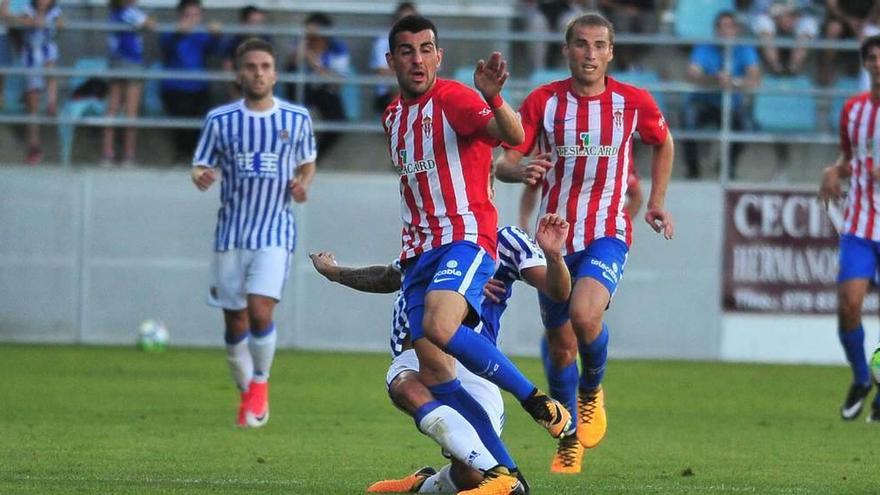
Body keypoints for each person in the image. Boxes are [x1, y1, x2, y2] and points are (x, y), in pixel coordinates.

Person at [382, 14, 571, 494]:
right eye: (407, 50)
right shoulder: (393, 119)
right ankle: (505, 476)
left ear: (439, 56)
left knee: (439, 328)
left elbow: (510, 137)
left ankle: (536, 400)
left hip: (464, 236)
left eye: (426, 49)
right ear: (391, 60)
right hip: (418, 251)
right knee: (433, 366)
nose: (418, 59)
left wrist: (492, 97)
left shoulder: (453, 99)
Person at [494, 12, 675, 473]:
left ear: (611, 52)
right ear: (566, 49)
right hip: (555, 238)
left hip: (607, 231)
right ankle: (568, 435)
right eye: (581, 44)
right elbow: (505, 162)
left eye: (599, 45)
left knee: (584, 314)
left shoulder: (632, 102)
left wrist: (655, 201)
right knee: (559, 348)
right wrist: (521, 170)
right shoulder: (543, 101)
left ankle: (592, 390)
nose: (589, 53)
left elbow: (663, 141)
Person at [310, 215, 571, 493]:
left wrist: (554, 257)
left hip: (476, 364)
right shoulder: (428, 240)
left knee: (471, 473)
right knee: (406, 386)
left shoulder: (506, 240)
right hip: (418, 355)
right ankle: (509, 476)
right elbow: (387, 277)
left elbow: (558, 291)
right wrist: (333, 273)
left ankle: (424, 485)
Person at [190, 38, 317, 428]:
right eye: (250, 66)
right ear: (238, 73)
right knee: (236, 323)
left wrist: (301, 184)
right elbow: (199, 165)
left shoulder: (296, 119)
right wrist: (203, 176)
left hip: (274, 231)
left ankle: (260, 383)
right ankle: (247, 392)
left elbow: (307, 162)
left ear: (275, 73)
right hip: (231, 233)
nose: (258, 73)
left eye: (264, 66)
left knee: (261, 310)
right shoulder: (220, 121)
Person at [818, 34, 880, 424]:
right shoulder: (853, 110)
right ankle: (861, 378)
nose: (877, 63)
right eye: (871, 57)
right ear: (864, 64)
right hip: (860, 223)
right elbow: (848, 156)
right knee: (849, 305)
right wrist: (832, 170)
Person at [682, 11, 760, 180]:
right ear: (716, 30)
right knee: (688, 120)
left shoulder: (744, 49)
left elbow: (754, 78)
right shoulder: (704, 48)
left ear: (736, 30)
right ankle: (693, 170)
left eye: (730, 27)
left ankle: (727, 165)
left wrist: (733, 82)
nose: (726, 31)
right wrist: (714, 79)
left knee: (746, 127)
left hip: (731, 105)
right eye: (722, 27)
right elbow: (692, 74)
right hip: (704, 102)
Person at [1, 0, 62, 164]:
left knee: (51, 65)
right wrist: (28, 21)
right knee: (32, 103)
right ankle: (34, 146)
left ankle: (52, 102)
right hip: (31, 58)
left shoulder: (55, 10)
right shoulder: (28, 9)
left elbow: (62, 23)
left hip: (46, 53)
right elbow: (16, 19)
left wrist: (50, 22)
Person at [160, 0, 221, 162]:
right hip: (175, 87)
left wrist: (216, 35)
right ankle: (181, 157)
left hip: (199, 87)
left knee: (200, 125)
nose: (193, 19)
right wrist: (178, 33)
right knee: (180, 127)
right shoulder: (171, 32)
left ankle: (196, 159)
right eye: (189, 15)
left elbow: (215, 50)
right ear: (180, 16)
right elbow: (166, 46)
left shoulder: (202, 33)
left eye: (197, 15)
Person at [102, 0, 156, 167]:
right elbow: (150, 24)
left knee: (112, 108)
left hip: (115, 62)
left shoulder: (113, 13)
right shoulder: (129, 11)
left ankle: (107, 154)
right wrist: (149, 17)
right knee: (130, 111)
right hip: (131, 63)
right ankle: (128, 155)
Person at [287, 12, 349, 154]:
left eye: (316, 35)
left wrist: (315, 64)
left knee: (338, 122)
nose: (314, 39)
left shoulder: (337, 48)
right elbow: (293, 63)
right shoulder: (300, 43)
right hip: (301, 91)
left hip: (325, 91)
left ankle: (314, 157)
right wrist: (304, 42)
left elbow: (337, 82)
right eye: (310, 35)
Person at [369, 2, 416, 113]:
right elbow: (381, 71)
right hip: (388, 93)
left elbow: (433, 71)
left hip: (415, 91)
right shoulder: (383, 41)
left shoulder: (424, 41)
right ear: (395, 22)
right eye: (404, 20)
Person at [220, 5, 268, 101]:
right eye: (254, 22)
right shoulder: (233, 42)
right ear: (243, 23)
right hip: (239, 92)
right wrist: (235, 96)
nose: (257, 27)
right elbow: (226, 70)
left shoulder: (266, 41)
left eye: (260, 23)